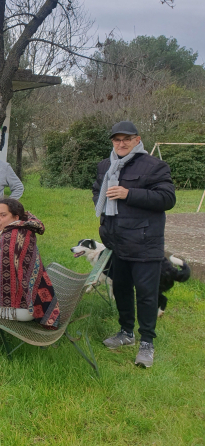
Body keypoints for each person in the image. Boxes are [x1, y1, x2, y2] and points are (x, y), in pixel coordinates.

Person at [93, 120, 175, 368]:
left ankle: (147, 342)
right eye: (117, 139)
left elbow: (167, 198)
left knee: (147, 295)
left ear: (137, 140)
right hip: (116, 242)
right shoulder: (105, 166)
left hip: (144, 242)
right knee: (121, 290)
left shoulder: (154, 166)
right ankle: (126, 333)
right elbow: (97, 190)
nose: (121, 143)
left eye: (126, 139)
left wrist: (128, 193)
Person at [0, 199, 61, 363]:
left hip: (25, 308)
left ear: (16, 216)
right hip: (36, 301)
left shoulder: (11, 238)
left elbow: (4, 285)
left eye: (3, 215)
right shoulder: (22, 231)